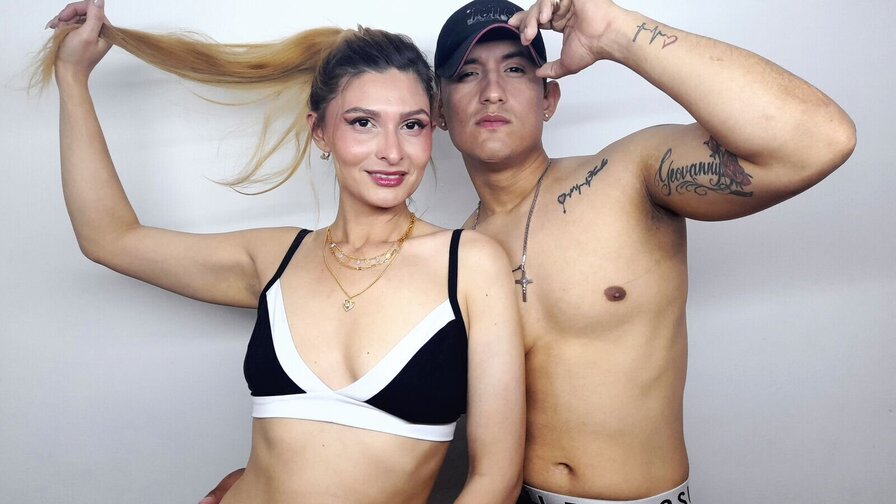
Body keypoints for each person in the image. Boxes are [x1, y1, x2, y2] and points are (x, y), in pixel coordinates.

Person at [198, 0, 856, 502]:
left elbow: (817, 141)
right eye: (467, 74)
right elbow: (436, 431)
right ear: (439, 115)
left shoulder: (627, 178)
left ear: (550, 96)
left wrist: (617, 32)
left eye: (516, 68)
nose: (491, 91)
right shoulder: (445, 261)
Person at [40, 1, 526, 503]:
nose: (392, 151)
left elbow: (497, 478)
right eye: (363, 122)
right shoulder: (277, 258)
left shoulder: (469, 265)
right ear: (320, 131)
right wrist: (72, 77)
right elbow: (109, 237)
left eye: (412, 125)